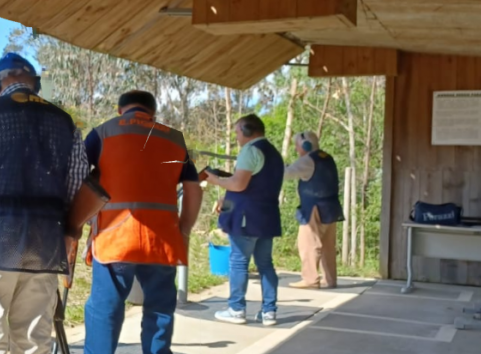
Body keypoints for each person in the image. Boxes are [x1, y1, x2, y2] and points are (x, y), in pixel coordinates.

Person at [0, 53, 90, 354]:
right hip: (46, 244)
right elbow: (79, 186)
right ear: (35, 83)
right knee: (33, 340)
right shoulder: (65, 123)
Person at [82, 91, 203, 354]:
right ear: (153, 113)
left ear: (119, 110)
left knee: (105, 309)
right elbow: (194, 190)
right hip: (163, 238)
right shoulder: (174, 138)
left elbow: (77, 179)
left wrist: (78, 225)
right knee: (160, 308)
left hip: (115, 239)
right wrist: (183, 230)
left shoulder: (102, 133)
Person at [205, 114, 284, 326]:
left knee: (239, 262)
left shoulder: (250, 151)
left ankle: (236, 309)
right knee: (266, 264)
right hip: (266, 217)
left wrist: (213, 179)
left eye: (238, 131)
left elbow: (239, 185)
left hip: (247, 218)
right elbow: (253, 186)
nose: (236, 136)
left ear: (248, 131)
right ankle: (269, 312)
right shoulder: (274, 153)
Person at [284, 131, 343, 290]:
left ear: (305, 145)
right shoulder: (326, 157)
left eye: (297, 146)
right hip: (331, 207)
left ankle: (310, 279)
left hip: (313, 208)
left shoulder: (307, 160)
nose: (297, 150)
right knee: (327, 245)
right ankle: (330, 279)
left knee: (308, 244)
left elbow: (286, 174)